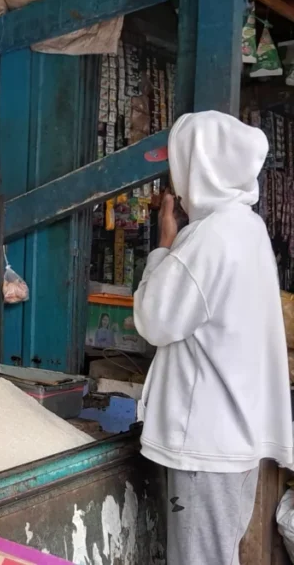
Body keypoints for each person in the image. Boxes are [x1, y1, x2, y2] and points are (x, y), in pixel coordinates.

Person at [133, 111, 294, 565]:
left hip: (205, 444)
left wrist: (164, 246)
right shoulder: (248, 228)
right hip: (234, 437)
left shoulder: (209, 238)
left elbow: (153, 319)